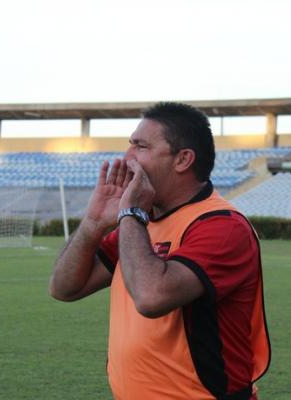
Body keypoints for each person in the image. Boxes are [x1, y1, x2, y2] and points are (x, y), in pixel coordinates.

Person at [49, 102, 270, 400]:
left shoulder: (222, 226)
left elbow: (151, 297)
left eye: (140, 147)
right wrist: (93, 224)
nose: (127, 158)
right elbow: (64, 288)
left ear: (183, 160)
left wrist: (131, 213)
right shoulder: (141, 224)